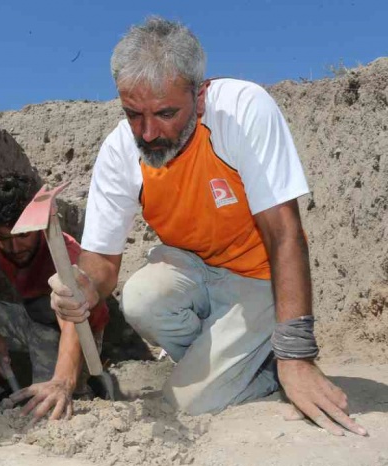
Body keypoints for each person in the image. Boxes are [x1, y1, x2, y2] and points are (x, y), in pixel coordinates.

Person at [49, 17, 367, 436]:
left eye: (165, 113)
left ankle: (272, 367)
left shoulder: (242, 110)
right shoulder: (119, 151)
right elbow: (100, 264)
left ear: (199, 97)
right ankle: (243, 364)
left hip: (259, 282)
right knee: (142, 297)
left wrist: (297, 356)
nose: (148, 132)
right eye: (133, 114)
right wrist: (85, 292)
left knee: (188, 403)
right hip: (193, 269)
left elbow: (284, 233)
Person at [0, 169, 109, 420]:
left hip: (79, 327)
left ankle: (83, 386)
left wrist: (63, 382)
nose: (15, 247)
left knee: (46, 407)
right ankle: (0, 392)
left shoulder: (63, 254)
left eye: (23, 236)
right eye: (5, 238)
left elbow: (72, 324)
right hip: (34, 315)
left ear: (39, 226)